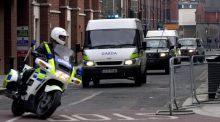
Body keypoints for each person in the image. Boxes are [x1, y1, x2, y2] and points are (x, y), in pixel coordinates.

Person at [19, 27, 69, 95]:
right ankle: (22, 88)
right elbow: (35, 52)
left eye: (64, 37)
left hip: (54, 71)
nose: (64, 39)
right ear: (55, 36)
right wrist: (39, 55)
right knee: (28, 72)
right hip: (42, 68)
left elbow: (66, 60)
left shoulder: (62, 50)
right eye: (62, 37)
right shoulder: (45, 45)